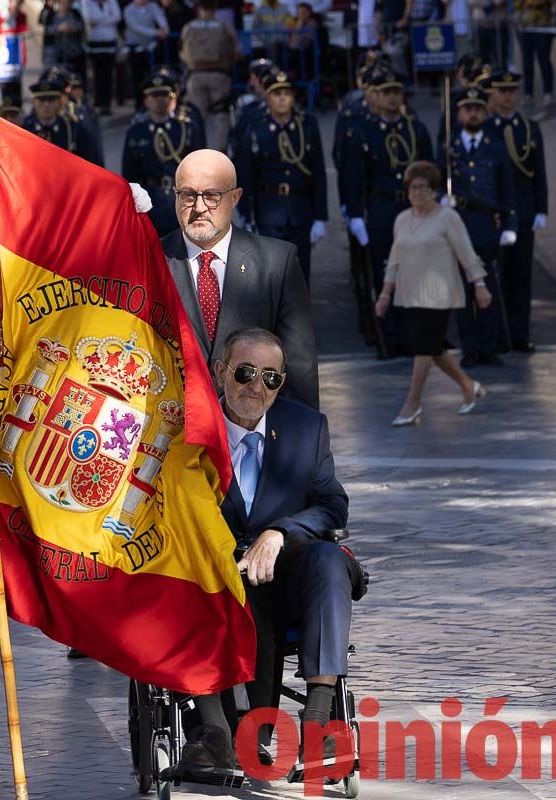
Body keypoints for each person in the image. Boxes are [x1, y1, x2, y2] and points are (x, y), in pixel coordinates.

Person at [177, 325, 350, 775]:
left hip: (288, 571)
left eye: (271, 377)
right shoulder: (188, 430)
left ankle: (318, 719)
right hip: (215, 578)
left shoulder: (305, 428)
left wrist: (279, 533)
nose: (257, 387)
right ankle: (217, 730)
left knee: (330, 560)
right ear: (220, 372)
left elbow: (332, 503)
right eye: (246, 373)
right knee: (231, 595)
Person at [162, 149, 319, 409]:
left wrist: (303, 442)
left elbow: (299, 367)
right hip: (174, 431)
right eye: (188, 196)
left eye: (212, 196)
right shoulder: (151, 261)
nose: (199, 208)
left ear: (235, 198)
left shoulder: (277, 263)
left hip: (250, 429)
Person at [374, 161, 489, 426]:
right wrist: (384, 294)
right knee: (433, 348)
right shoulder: (402, 219)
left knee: (423, 347)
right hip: (410, 293)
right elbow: (394, 260)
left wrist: (480, 285)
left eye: (423, 188)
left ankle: (412, 403)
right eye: (412, 188)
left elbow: (467, 253)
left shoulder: (448, 217)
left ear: (434, 190)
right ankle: (468, 386)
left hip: (440, 294)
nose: (417, 193)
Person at [340, 63, 434, 356]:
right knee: (384, 275)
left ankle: (411, 336)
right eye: (386, 92)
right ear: (374, 96)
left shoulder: (414, 129)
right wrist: (355, 215)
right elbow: (353, 177)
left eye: (397, 92)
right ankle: (387, 338)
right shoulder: (361, 131)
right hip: (380, 208)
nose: (393, 98)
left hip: (412, 207)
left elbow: (430, 170)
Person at [232, 70, 327, 283]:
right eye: (276, 94)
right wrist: (247, 215)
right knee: (272, 277)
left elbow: (318, 172)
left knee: (300, 276)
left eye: (286, 93)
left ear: (294, 97)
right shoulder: (257, 128)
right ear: (267, 98)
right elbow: (247, 175)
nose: (282, 98)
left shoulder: (307, 126)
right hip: (268, 211)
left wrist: (321, 216)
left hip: (300, 210)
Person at [446, 85, 516, 368]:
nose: (473, 114)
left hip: (487, 223)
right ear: (459, 113)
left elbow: (507, 189)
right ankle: (470, 348)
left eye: (477, 109)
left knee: (487, 286)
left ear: (485, 112)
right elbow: (435, 180)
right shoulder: (449, 148)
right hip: (459, 223)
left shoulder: (496, 147)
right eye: (467, 109)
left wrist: (510, 223)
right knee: (463, 289)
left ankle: (489, 346)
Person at [487, 69, 547, 353]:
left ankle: (521, 332)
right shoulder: (486, 130)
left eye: (512, 91)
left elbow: (539, 172)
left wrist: (541, 208)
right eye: (502, 91)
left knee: (522, 275)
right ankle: (499, 334)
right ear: (493, 94)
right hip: (495, 212)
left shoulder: (529, 127)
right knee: (498, 275)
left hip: (523, 210)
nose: (508, 96)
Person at [122, 72, 205, 237]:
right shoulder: (137, 132)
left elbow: (200, 169)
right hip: (150, 198)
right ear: (145, 100)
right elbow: (130, 175)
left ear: (174, 98)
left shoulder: (186, 129)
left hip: (182, 198)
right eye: (154, 95)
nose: (160, 100)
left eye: (165, 95)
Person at [179, 0, 241, 149]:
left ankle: (197, 151)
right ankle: (223, 151)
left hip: (196, 75)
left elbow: (181, 52)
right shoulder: (224, 26)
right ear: (215, 10)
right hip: (220, 75)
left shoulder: (188, 27)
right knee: (221, 114)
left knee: (197, 116)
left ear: (199, 9)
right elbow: (237, 52)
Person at [22, 71, 104, 167]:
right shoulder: (23, 130)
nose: (46, 105)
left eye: (51, 100)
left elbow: (91, 165)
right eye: (41, 100)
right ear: (34, 102)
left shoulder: (74, 130)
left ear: (60, 102)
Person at [124, 0, 170, 110]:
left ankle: (155, 104)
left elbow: (161, 19)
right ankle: (139, 104)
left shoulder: (153, 6)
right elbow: (136, 27)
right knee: (137, 78)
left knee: (154, 76)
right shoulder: (129, 10)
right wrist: (156, 32)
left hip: (151, 48)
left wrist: (164, 28)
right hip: (136, 49)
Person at [82, 0, 122, 115]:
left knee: (108, 75)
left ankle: (107, 104)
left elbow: (117, 17)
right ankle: (98, 102)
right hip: (95, 43)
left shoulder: (112, 1)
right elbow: (89, 19)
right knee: (98, 74)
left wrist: (99, 20)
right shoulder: (87, 2)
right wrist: (108, 18)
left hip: (110, 43)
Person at [515, 0, 555, 109]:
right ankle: (528, 94)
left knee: (544, 60)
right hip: (526, 26)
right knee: (527, 62)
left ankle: (548, 92)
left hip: (543, 25)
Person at [0, 0, 28, 105]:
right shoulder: (0, 16)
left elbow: (22, 31)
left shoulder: (21, 17)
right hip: (2, 65)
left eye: (18, 3)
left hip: (15, 64)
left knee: (15, 95)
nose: (15, 5)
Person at [40, 0, 88, 81]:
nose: (64, 4)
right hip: (56, 56)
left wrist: (72, 28)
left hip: (73, 54)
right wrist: (58, 29)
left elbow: (82, 28)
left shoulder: (75, 14)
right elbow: (45, 30)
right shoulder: (51, 15)